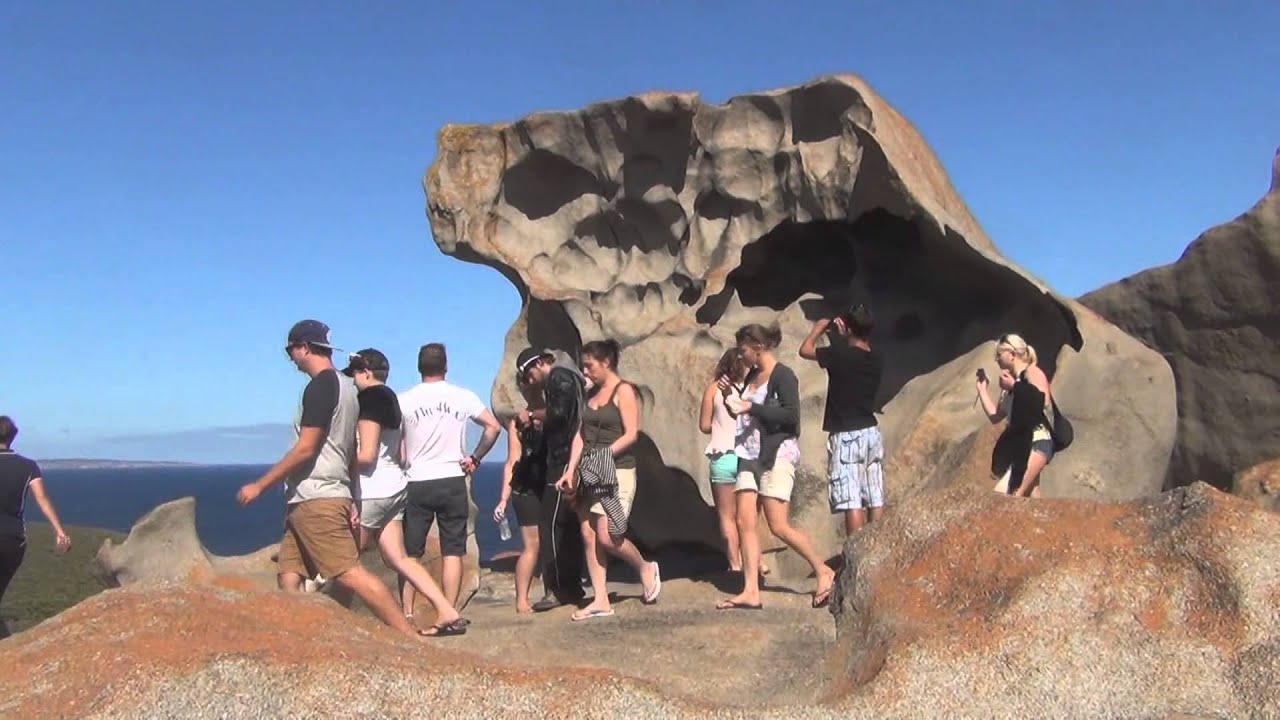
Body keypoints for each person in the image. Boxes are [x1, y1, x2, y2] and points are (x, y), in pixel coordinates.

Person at [236, 320, 417, 636]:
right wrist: (353, 499)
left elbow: (306, 448)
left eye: (290, 349)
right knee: (290, 572)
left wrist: (260, 485)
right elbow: (347, 450)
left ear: (304, 347)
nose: (291, 357)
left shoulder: (320, 387)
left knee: (349, 573)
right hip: (318, 495)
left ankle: (408, 635)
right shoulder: (348, 390)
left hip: (316, 496)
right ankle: (297, 634)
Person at [341, 349, 465, 636]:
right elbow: (398, 452)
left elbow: (367, 455)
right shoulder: (392, 400)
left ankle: (336, 623)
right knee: (399, 558)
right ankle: (446, 609)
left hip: (371, 489)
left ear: (366, 372)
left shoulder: (369, 399)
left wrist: (338, 459)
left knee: (343, 561)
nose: (353, 381)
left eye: (355, 375)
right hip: (395, 487)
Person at [717, 323, 835, 611]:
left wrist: (751, 407)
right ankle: (750, 590)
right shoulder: (752, 376)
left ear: (758, 348)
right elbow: (744, 413)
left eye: (744, 350)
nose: (740, 356)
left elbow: (791, 417)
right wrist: (731, 394)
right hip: (748, 454)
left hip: (776, 454)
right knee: (745, 521)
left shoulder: (783, 375)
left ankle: (822, 570)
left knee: (778, 525)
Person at [398, 343, 502, 613]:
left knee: (410, 554)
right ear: (445, 366)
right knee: (453, 551)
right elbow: (493, 426)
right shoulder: (462, 396)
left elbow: (396, 442)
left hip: (417, 480)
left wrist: (403, 463)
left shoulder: (404, 400)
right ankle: (450, 612)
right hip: (452, 478)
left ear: (419, 367)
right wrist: (475, 458)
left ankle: (407, 613)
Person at [568, 339, 660, 621]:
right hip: (589, 472)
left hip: (617, 470)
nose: (585, 371)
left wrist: (603, 456)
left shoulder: (624, 391)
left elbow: (631, 434)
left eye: (589, 365)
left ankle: (645, 567)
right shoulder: (591, 395)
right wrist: (570, 470)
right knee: (588, 535)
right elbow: (580, 436)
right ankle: (600, 599)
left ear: (606, 362)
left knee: (608, 535)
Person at [799, 304, 886, 534]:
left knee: (852, 500)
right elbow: (855, 353)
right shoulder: (876, 358)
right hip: (870, 431)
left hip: (846, 435)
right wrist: (845, 333)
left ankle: (855, 552)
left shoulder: (839, 355)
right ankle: (878, 550)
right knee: (874, 495)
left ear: (846, 327)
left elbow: (805, 350)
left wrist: (817, 329)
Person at [513, 347, 588, 612]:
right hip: (571, 456)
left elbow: (559, 415)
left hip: (563, 459)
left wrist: (532, 415)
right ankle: (572, 584)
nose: (528, 380)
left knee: (552, 525)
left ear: (539, 364)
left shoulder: (559, 378)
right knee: (568, 526)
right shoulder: (573, 378)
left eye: (528, 373)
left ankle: (558, 588)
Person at [0, 416, 71, 639]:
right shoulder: (28, 466)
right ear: (13, 437)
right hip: (13, 540)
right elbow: (42, 498)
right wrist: (59, 531)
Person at [494, 372, 548, 614]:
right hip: (526, 486)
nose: (530, 388)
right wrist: (503, 499)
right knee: (532, 545)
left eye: (532, 382)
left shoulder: (554, 415)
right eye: (524, 384)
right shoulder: (518, 421)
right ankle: (522, 600)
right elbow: (512, 461)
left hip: (551, 484)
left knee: (553, 541)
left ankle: (554, 590)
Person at [976, 333, 1055, 498]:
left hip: (1037, 439)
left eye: (999, 355)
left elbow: (1043, 401)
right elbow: (995, 416)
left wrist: (1015, 386)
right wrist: (982, 390)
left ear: (1012, 354)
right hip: (1022, 446)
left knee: (1006, 495)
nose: (996, 359)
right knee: (1031, 496)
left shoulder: (1032, 373)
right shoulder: (1009, 384)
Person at [699, 349, 749, 572]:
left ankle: (734, 564)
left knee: (726, 517)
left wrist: (719, 425)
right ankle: (754, 561)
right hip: (746, 458)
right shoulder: (751, 390)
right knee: (747, 516)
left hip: (722, 457)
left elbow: (704, 425)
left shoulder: (713, 389)